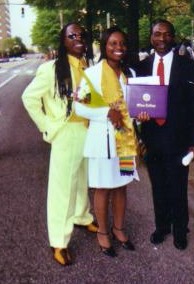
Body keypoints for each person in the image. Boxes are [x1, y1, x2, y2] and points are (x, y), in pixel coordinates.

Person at [22, 23, 98, 266]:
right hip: (65, 134)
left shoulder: (87, 66)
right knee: (62, 188)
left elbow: (90, 98)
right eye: (71, 35)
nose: (78, 38)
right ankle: (59, 241)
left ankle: (82, 216)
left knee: (82, 179)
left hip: (86, 131)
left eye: (81, 35)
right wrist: (48, 126)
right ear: (63, 41)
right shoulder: (51, 69)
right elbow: (29, 98)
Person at [135, 19, 194, 250]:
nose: (161, 39)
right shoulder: (141, 68)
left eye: (166, 34)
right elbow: (136, 106)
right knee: (158, 186)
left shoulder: (188, 66)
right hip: (152, 137)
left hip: (179, 138)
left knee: (178, 186)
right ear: (151, 37)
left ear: (173, 37)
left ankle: (180, 231)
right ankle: (162, 226)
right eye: (157, 34)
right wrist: (139, 120)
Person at [73, 26, 138, 257]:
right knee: (103, 187)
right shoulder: (91, 74)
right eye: (113, 43)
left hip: (126, 141)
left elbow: (135, 106)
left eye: (122, 44)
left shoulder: (128, 74)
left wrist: (140, 114)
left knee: (121, 186)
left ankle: (118, 229)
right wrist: (105, 113)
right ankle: (103, 232)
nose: (118, 48)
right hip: (103, 141)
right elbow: (78, 106)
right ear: (104, 46)